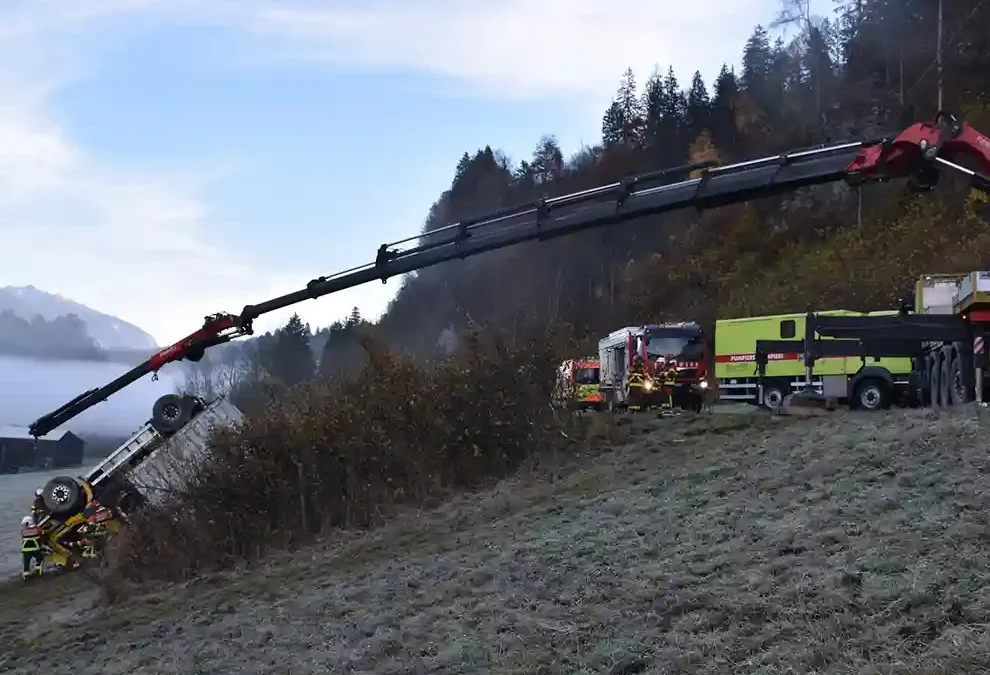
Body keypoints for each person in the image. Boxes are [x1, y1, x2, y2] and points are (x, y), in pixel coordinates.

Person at [20, 514, 45, 579]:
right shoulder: (37, 529)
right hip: (36, 550)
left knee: (26, 563)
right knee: (40, 558)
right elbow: (42, 533)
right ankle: (38, 571)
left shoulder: (22, 531)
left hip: (25, 551)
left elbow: (22, 537)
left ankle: (26, 575)